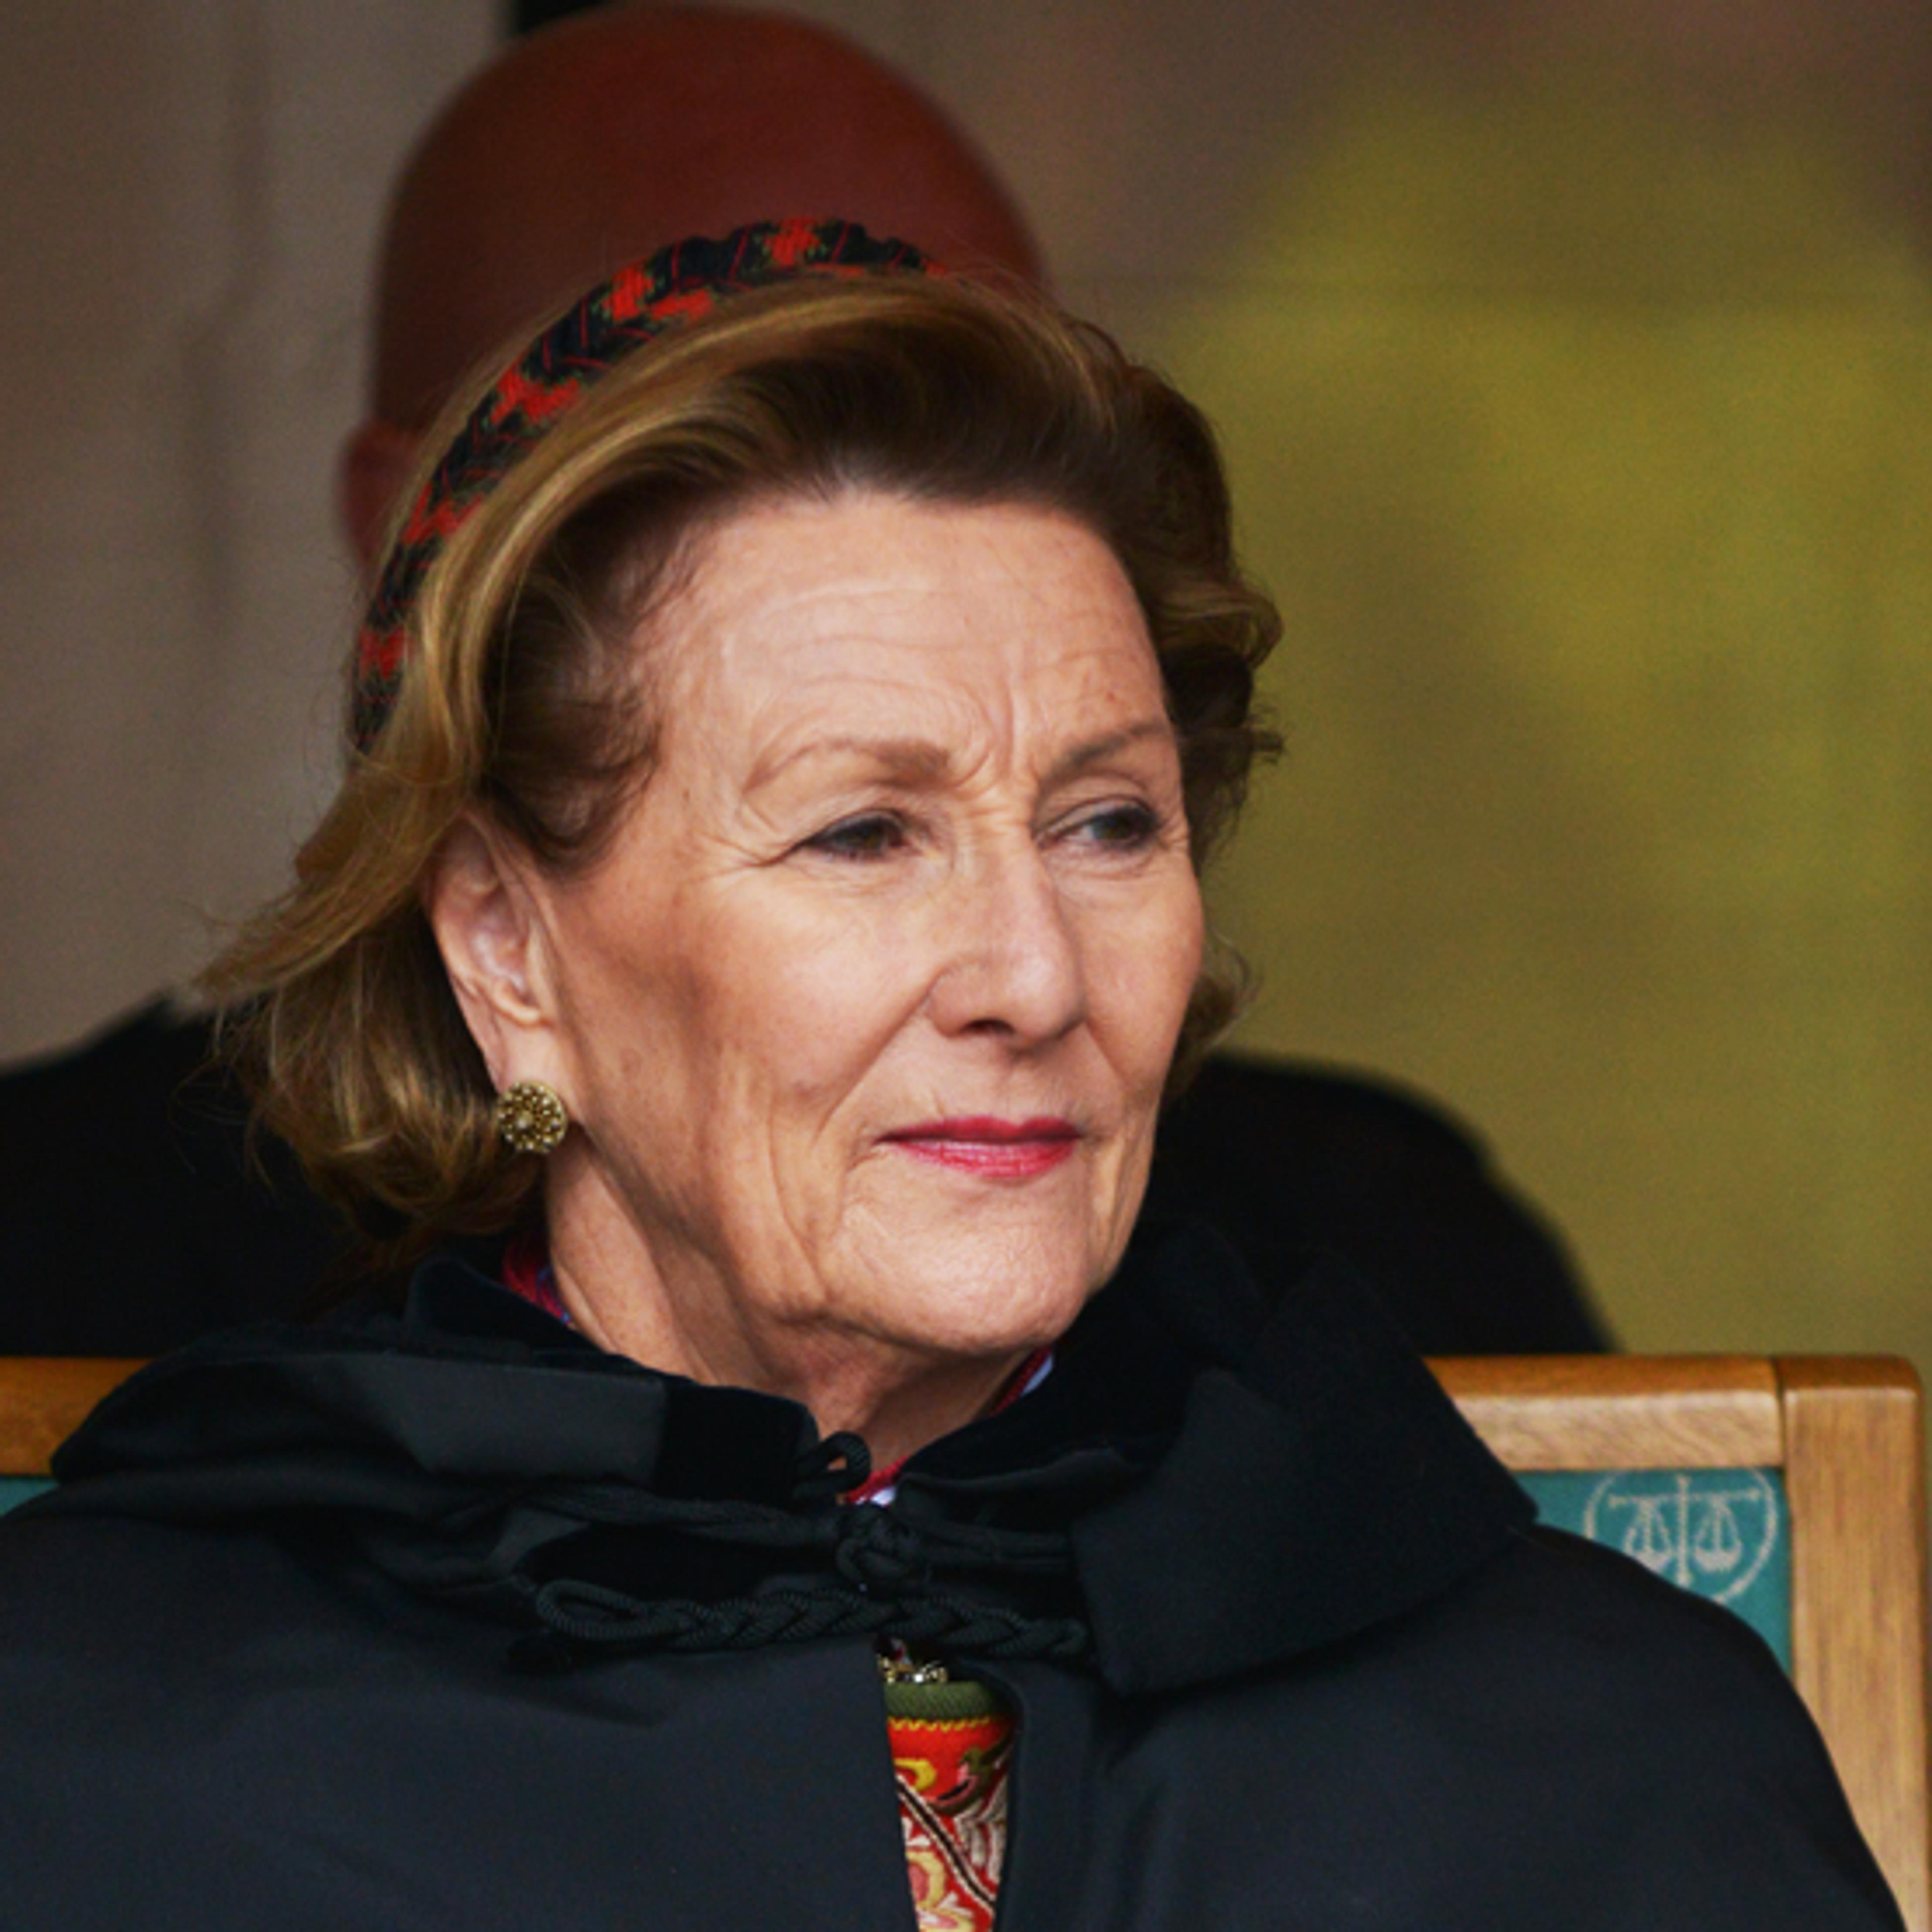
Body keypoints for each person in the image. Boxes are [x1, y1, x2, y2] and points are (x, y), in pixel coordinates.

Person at [0, 223, 1894, 1929]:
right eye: (863, 835)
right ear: (509, 949)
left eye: (1107, 824)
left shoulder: (1593, 1740)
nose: (1034, 977)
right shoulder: (108, 1742)